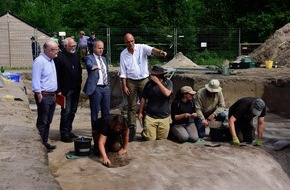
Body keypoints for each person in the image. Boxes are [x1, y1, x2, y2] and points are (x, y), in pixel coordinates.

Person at [119, 33, 167, 141]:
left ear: (134, 40)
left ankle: (147, 127)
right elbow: (122, 72)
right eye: (128, 42)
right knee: (131, 106)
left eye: (132, 41)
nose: (131, 43)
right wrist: (124, 85)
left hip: (144, 80)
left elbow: (152, 50)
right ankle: (132, 130)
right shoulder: (123, 54)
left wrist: (160, 52)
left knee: (146, 105)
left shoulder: (141, 48)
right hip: (131, 81)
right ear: (125, 43)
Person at [31, 40, 59, 152]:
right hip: (44, 95)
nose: (58, 51)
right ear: (50, 50)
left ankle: (45, 141)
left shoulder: (51, 60)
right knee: (42, 121)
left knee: (48, 121)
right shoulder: (39, 61)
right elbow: (36, 79)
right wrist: (38, 94)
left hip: (51, 95)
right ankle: (39, 145)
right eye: (56, 49)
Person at [83, 40, 110, 153]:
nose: (101, 50)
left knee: (106, 113)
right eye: (99, 48)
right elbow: (88, 64)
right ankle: (96, 137)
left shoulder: (104, 59)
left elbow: (106, 71)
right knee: (95, 113)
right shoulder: (89, 57)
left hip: (106, 88)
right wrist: (92, 66)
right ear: (94, 48)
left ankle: (106, 137)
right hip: (96, 89)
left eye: (102, 48)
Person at [54, 37, 82, 143]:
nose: (74, 47)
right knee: (66, 111)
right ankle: (64, 133)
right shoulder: (60, 57)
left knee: (73, 111)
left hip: (75, 88)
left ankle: (69, 130)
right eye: (71, 46)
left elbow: (78, 70)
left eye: (74, 45)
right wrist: (59, 90)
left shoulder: (75, 55)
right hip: (65, 90)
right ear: (65, 46)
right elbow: (57, 75)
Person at [138, 65, 172, 141]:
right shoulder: (148, 84)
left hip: (164, 116)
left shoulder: (168, 82)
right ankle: (145, 132)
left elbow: (167, 94)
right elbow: (143, 98)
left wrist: (158, 83)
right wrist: (140, 112)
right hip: (150, 116)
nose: (151, 76)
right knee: (150, 139)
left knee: (162, 139)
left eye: (153, 74)